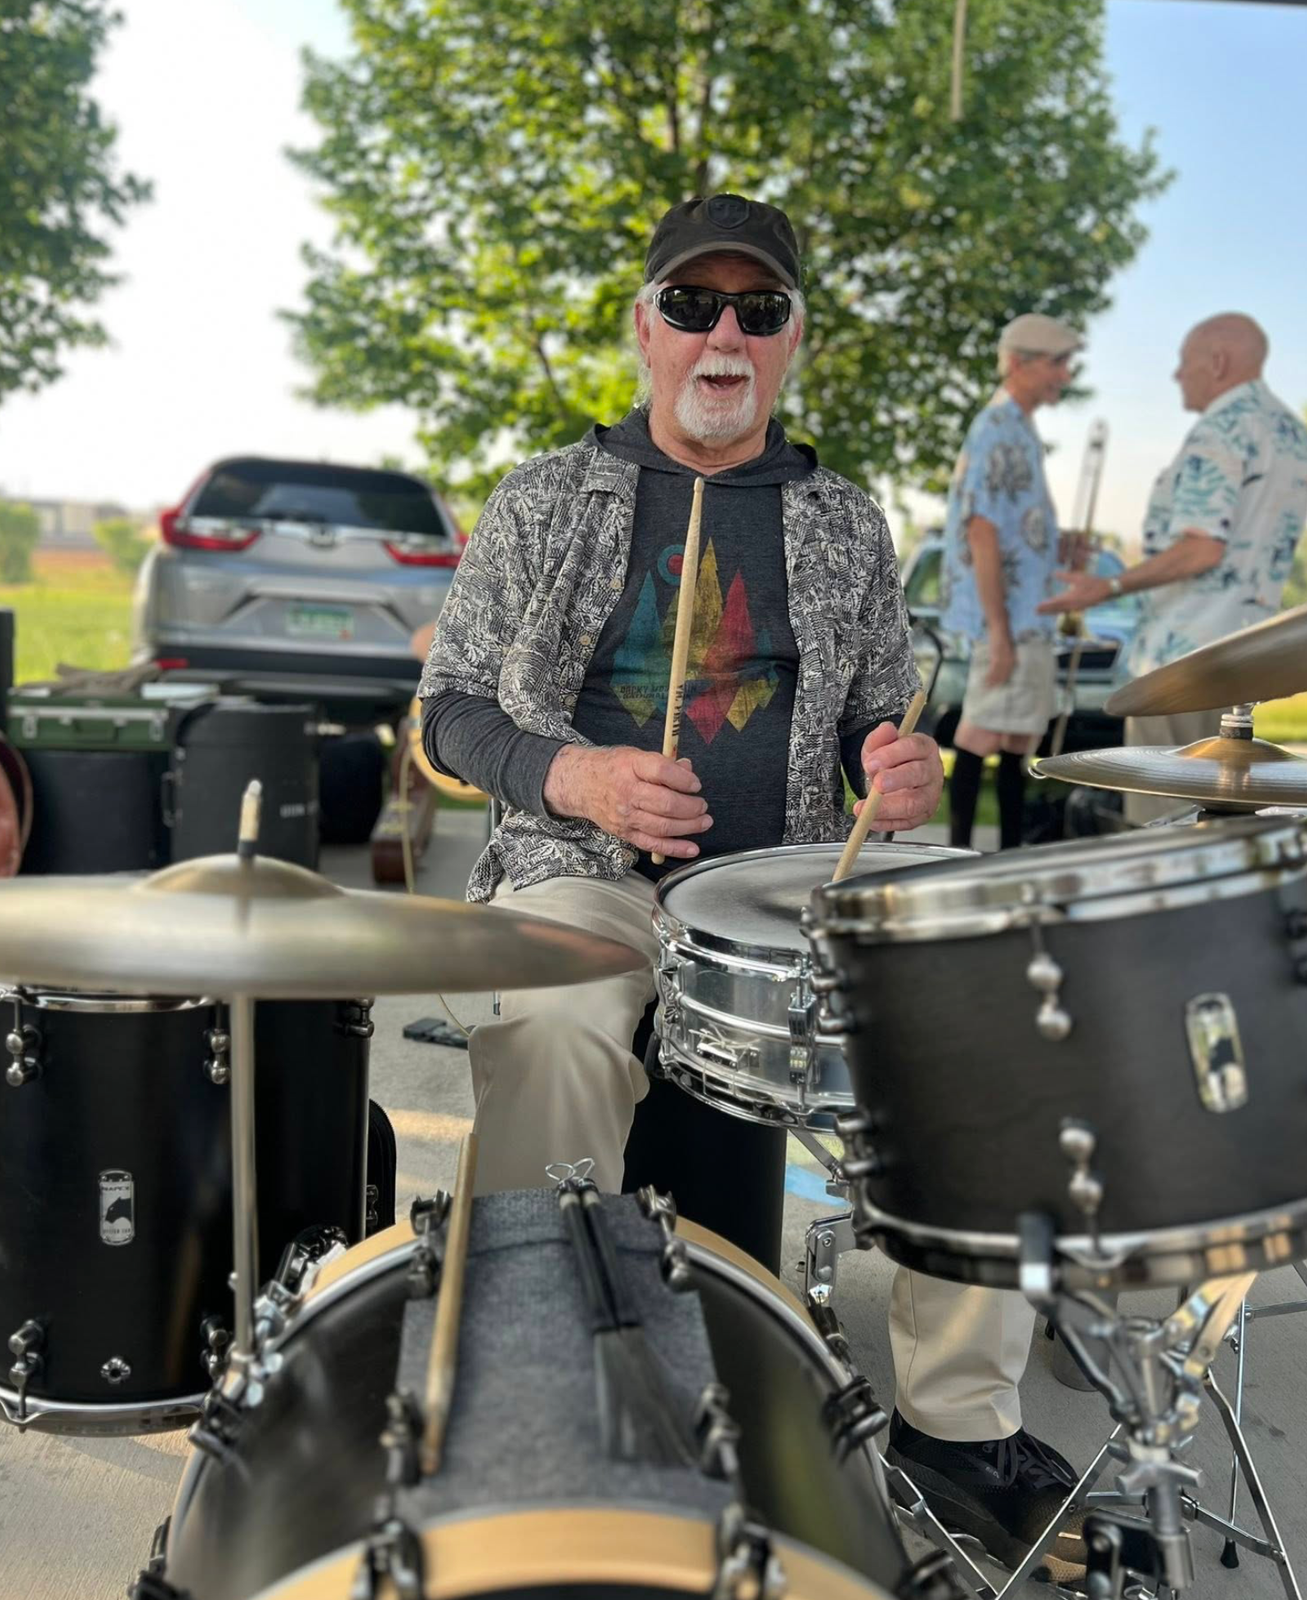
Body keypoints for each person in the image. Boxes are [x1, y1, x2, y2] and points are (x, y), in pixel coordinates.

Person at [421, 196, 1082, 1580]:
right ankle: (542, 1391)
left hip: (783, 887)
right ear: (644, 328)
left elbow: (873, 716)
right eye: (693, 305)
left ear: (790, 340)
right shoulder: (543, 497)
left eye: (757, 309)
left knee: (977, 1028)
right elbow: (451, 712)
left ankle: (956, 1430)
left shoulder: (843, 521)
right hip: (581, 870)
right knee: (556, 1027)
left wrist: (891, 763)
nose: (722, 333)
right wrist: (574, 776)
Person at [1042, 313, 1307, 823]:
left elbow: (1202, 549)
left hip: (1184, 667)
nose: (1177, 375)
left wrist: (1106, 586)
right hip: (1248, 664)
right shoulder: (1290, 433)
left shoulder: (1222, 428)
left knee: (1164, 834)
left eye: (1185, 361)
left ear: (1218, 362)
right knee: (1223, 829)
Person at [940, 314, 1081, 849]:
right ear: (1019, 362)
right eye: (1056, 362)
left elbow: (1013, 530)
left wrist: (1057, 547)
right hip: (1009, 623)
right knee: (981, 733)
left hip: (1028, 618)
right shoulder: (997, 428)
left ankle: (1008, 855)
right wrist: (998, 634)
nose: (1065, 375)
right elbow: (982, 532)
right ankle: (960, 854)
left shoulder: (1020, 428)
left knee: (1020, 739)